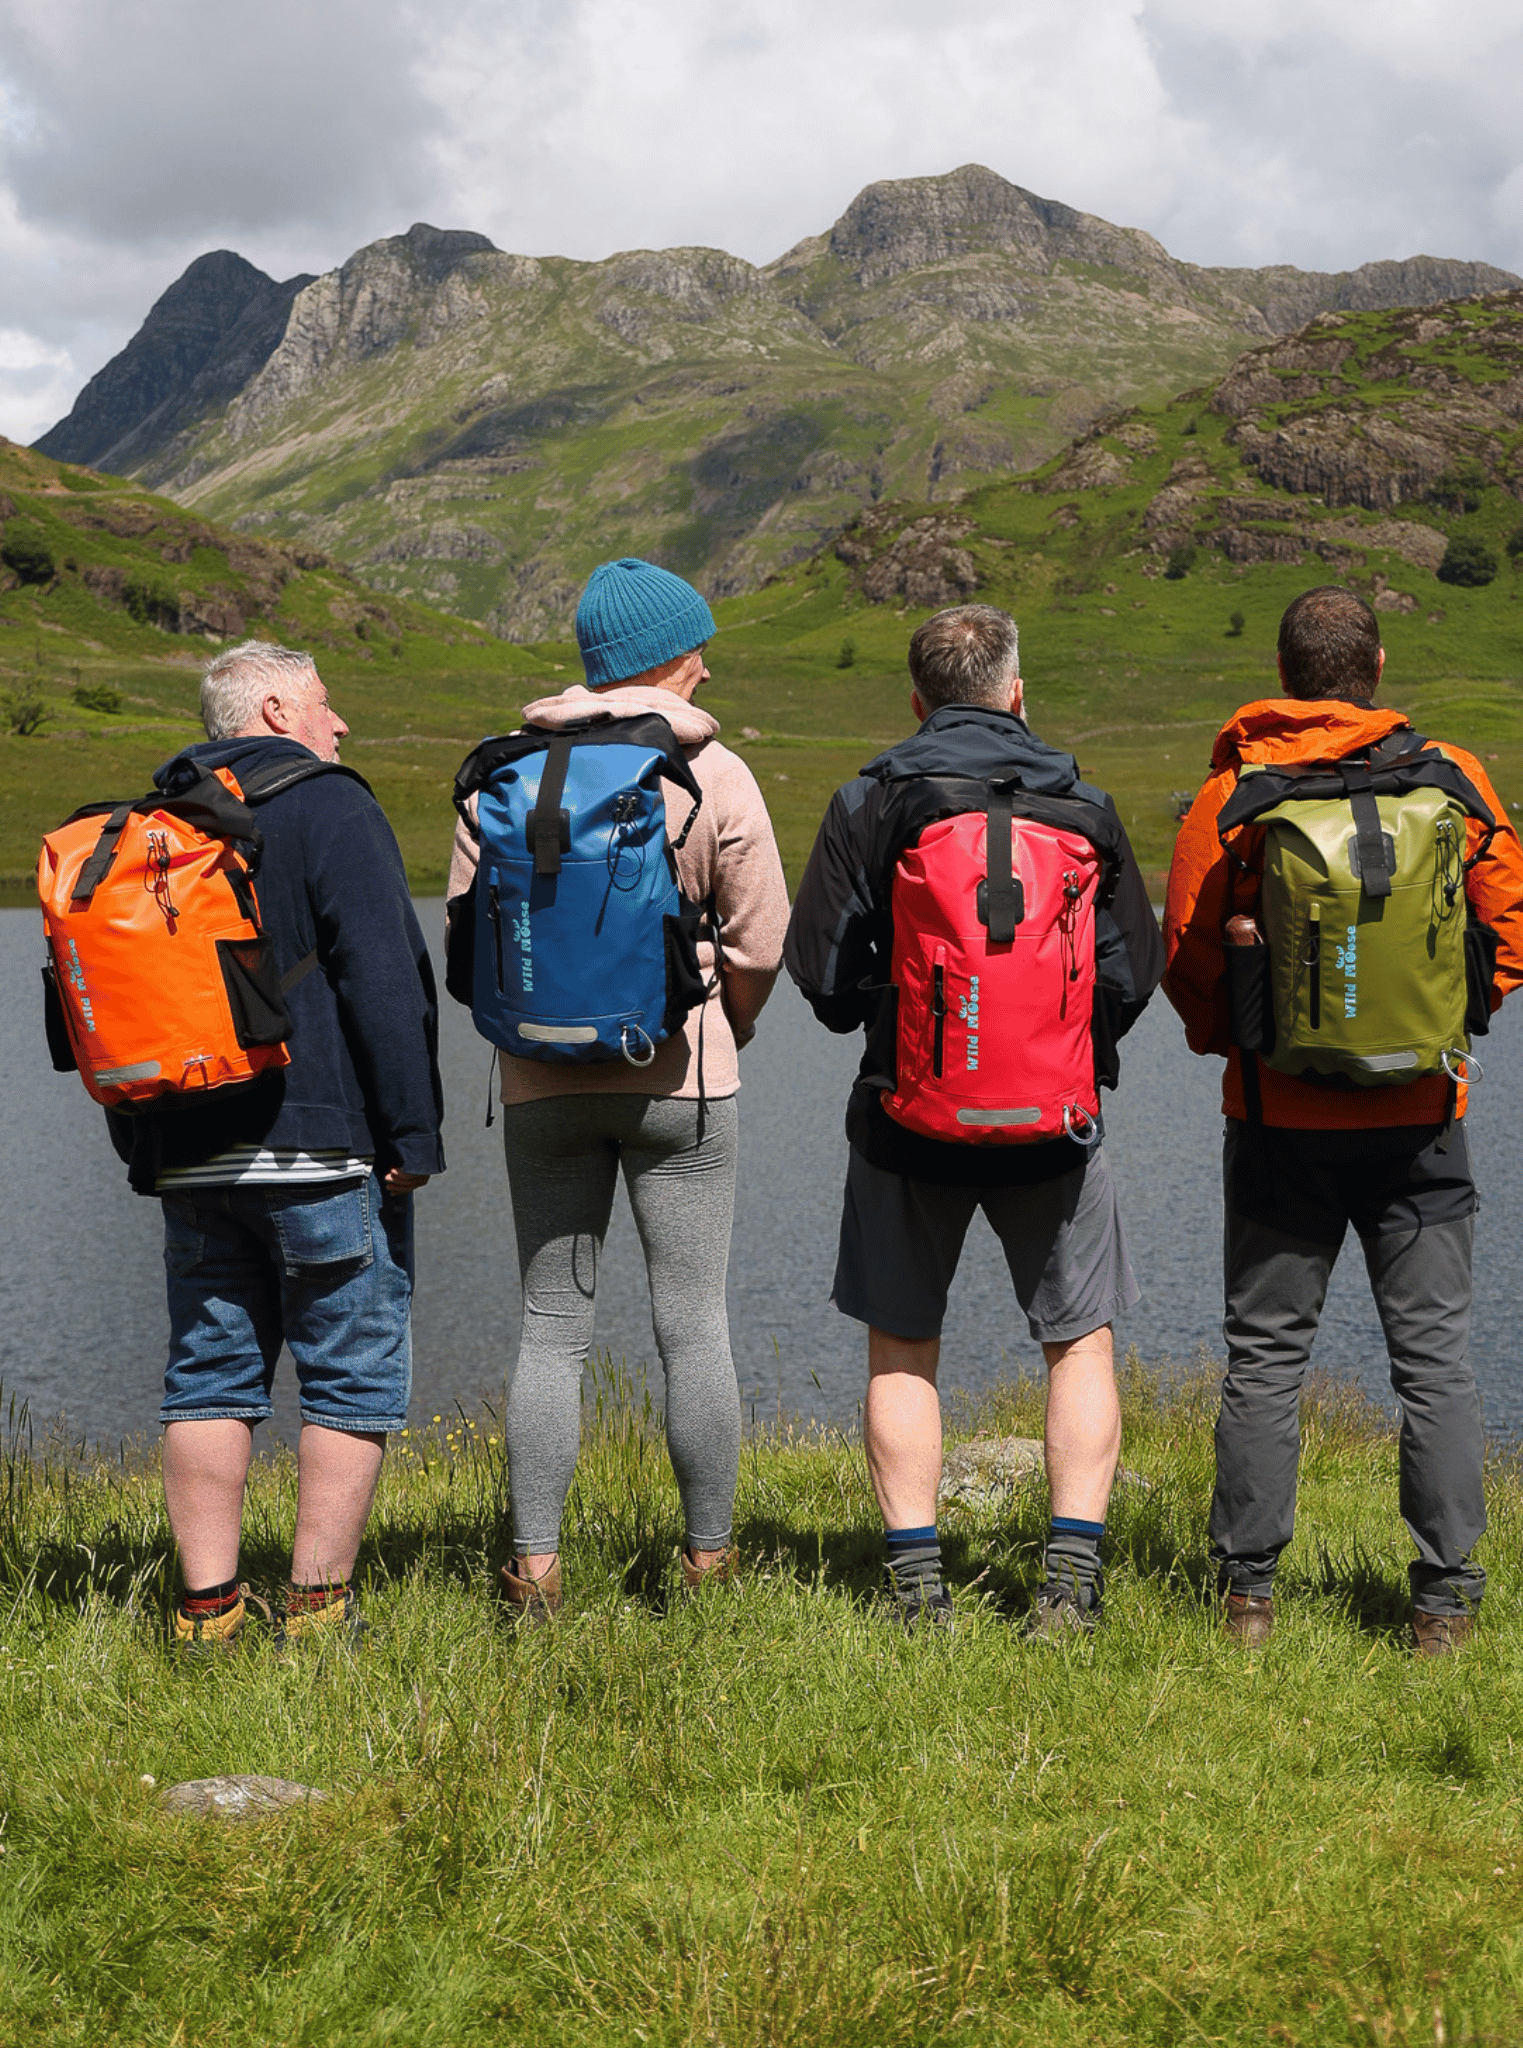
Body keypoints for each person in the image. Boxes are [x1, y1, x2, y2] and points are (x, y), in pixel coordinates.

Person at [1162, 586, 1523, 1655]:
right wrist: (1445, 1026)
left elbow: (1189, 956)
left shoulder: (1233, 794)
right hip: (1423, 1123)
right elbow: (1514, 933)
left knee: (1267, 1358)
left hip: (1280, 1122)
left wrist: (1236, 1044)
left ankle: (1247, 1601)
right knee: (1436, 1363)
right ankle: (1445, 1606)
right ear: (1374, 667)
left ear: (1286, 673)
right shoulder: (1454, 780)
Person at [783, 603, 1163, 1631]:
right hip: (1058, 1125)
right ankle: (1071, 1587)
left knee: (903, 1347)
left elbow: (818, 978)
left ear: (917, 701)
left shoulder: (872, 797)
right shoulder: (1084, 800)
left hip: (907, 1118)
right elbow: (1137, 970)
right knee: (1079, 1343)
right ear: (1017, 691)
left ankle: (918, 1592)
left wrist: (913, 1020)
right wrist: (1060, 1040)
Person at [447, 558, 789, 1620]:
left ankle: (536, 1571)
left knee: (551, 1324)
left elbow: (468, 944)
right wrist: (724, 1021)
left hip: (540, 1083)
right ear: (674, 660)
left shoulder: (508, 770)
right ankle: (707, 1563)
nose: (708, 666)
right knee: (692, 1322)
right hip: (680, 1079)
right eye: (700, 650)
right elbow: (763, 936)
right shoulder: (712, 769)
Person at [106, 640, 445, 1649]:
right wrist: (412, 1133)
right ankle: (318, 1610)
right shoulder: (331, 801)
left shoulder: (157, 817)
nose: (338, 725)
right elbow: (384, 976)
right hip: (323, 1146)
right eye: (324, 704)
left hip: (191, 1145)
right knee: (349, 1375)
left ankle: (207, 1611)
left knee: (208, 1374)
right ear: (273, 706)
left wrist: (148, 1146)